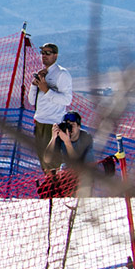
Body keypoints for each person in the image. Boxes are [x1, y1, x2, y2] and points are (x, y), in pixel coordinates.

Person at [29, 42, 75, 173]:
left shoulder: (62, 74)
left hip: (53, 124)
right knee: (43, 161)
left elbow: (67, 99)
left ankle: (58, 190)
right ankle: (49, 190)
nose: (44, 56)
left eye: (48, 53)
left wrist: (47, 90)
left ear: (55, 55)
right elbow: (32, 101)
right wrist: (34, 85)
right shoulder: (42, 74)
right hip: (39, 123)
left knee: (53, 162)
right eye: (42, 53)